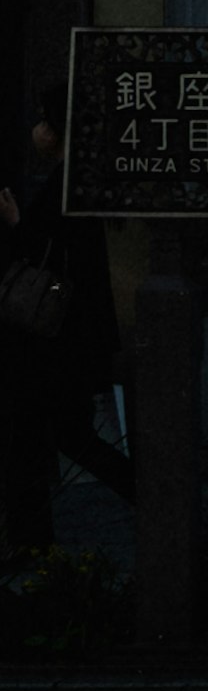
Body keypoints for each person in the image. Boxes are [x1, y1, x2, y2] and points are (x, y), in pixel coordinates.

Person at [0, 103, 77, 567]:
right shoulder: (66, 178)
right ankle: (32, 540)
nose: (36, 130)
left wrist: (15, 223)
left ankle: (30, 542)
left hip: (42, 326)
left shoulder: (60, 182)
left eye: (44, 122)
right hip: (49, 329)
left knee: (36, 434)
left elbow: (41, 243)